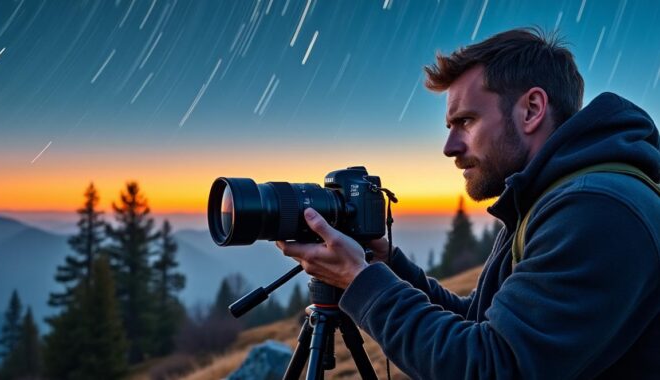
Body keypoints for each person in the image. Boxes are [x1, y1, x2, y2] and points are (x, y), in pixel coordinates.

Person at [276, 27, 660, 378]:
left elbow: (490, 367)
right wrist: (387, 265)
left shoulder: (594, 211)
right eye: (450, 126)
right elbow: (479, 322)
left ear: (531, 109)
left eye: (466, 121)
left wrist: (360, 282)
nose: (449, 147)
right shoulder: (547, 197)